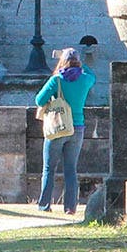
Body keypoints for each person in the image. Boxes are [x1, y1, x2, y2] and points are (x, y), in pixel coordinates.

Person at [34, 46, 97, 214]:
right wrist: (82, 64)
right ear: (78, 61)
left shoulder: (57, 80)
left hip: (58, 127)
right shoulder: (85, 79)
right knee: (70, 169)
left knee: (49, 169)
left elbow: (39, 100)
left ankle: (44, 205)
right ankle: (70, 207)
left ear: (63, 60)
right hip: (77, 128)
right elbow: (93, 76)